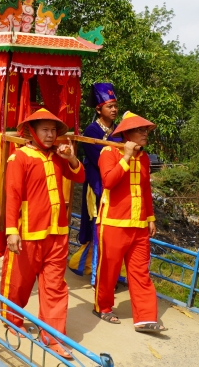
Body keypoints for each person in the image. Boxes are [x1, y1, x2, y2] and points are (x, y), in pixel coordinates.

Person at [0, 109, 85, 359]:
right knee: (19, 281)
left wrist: (71, 158)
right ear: (33, 131)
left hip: (57, 233)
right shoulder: (20, 158)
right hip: (28, 232)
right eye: (45, 130)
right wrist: (11, 231)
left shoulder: (59, 157)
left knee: (55, 286)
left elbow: (79, 175)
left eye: (53, 131)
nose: (50, 135)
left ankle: (53, 335)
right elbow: (12, 195)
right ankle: (11, 319)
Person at [93, 111, 166, 333]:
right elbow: (108, 182)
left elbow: (145, 190)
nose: (145, 134)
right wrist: (125, 157)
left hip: (139, 225)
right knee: (109, 270)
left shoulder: (144, 158)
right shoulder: (109, 152)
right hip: (113, 223)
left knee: (141, 271)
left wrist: (150, 218)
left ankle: (145, 317)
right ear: (127, 134)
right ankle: (103, 306)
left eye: (146, 130)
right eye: (140, 130)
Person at [70, 83, 125, 286]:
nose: (114, 110)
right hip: (97, 186)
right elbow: (98, 160)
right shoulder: (90, 131)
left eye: (115, 106)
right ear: (98, 109)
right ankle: (96, 275)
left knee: (115, 234)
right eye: (109, 106)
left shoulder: (121, 130)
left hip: (116, 183)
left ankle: (114, 273)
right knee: (98, 230)